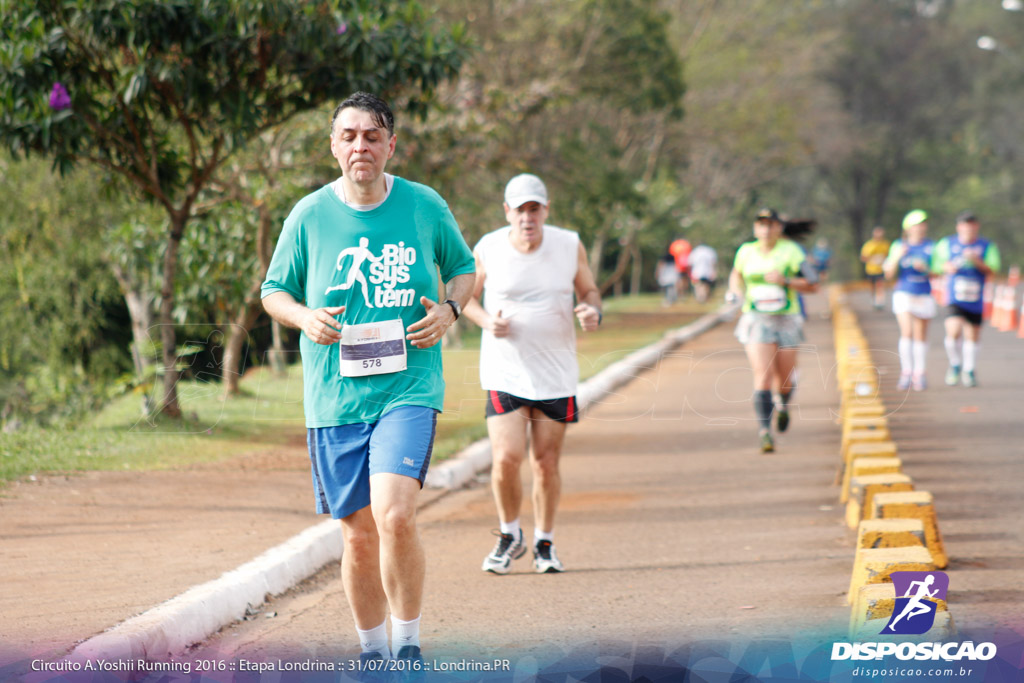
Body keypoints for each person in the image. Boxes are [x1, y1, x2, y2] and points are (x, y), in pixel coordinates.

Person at [260, 92, 476, 664]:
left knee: (396, 514)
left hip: (408, 387)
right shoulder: (308, 215)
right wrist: (304, 316)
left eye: (373, 136)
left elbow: (462, 268)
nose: (362, 146)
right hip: (335, 397)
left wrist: (450, 311)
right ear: (333, 146)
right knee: (357, 534)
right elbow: (272, 291)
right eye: (350, 135)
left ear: (391, 145)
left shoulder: (423, 205)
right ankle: (373, 654)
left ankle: (408, 647)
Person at [463, 173, 602, 575]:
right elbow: (466, 298)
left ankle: (545, 542)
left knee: (545, 461)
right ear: (507, 212)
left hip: (555, 374)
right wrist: (488, 322)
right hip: (505, 371)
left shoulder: (568, 244)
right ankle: (510, 535)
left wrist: (592, 310)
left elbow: (588, 290)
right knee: (506, 458)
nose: (528, 217)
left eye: (534, 208)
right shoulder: (489, 247)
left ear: (546, 210)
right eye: (520, 209)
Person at [727, 208, 818, 454]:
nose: (766, 230)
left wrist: (786, 281)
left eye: (771, 225)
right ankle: (765, 432)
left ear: (779, 228)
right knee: (763, 375)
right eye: (761, 225)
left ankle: (783, 404)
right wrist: (735, 292)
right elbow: (736, 275)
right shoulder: (746, 252)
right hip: (757, 318)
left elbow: (813, 284)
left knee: (785, 379)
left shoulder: (791, 252)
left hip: (786, 319)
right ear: (756, 229)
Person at [931, 210, 1001, 387]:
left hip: (976, 297)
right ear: (958, 227)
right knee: (953, 331)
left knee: (972, 335)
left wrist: (977, 261)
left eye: (971, 226)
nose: (968, 229)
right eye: (964, 225)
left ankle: (969, 370)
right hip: (955, 296)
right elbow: (936, 265)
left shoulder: (986, 245)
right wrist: (947, 267)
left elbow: (994, 269)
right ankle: (955, 364)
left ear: (976, 227)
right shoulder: (947, 243)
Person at [883, 210, 935, 391]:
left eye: (923, 224)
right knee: (906, 331)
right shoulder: (898, 245)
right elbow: (888, 274)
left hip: (924, 293)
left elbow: (938, 272)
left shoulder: (931, 246)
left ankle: (919, 373)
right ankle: (906, 371)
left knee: (920, 334)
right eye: (917, 224)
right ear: (908, 228)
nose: (921, 228)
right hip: (904, 292)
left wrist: (926, 268)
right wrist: (897, 257)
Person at [860, 226, 891, 310]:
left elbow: (890, 256)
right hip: (871, 269)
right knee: (872, 286)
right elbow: (863, 257)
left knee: (880, 284)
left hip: (881, 269)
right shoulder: (869, 245)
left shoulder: (886, 244)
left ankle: (879, 301)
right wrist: (872, 259)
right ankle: (873, 299)